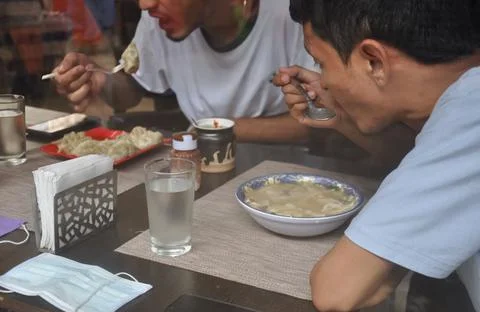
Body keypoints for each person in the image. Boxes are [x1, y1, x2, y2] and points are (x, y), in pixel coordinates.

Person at [274, 0, 480, 311]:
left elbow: (339, 291)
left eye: (321, 63)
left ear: (374, 61)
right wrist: (343, 111)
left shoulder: (472, 108)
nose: (325, 81)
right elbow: (425, 163)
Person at [52, 0, 313, 143]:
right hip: (195, 166)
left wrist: (217, 131)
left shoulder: (293, 15)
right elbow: (131, 90)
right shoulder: (160, 20)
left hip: (283, 173)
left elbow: (321, 125)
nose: (144, 4)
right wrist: (101, 82)